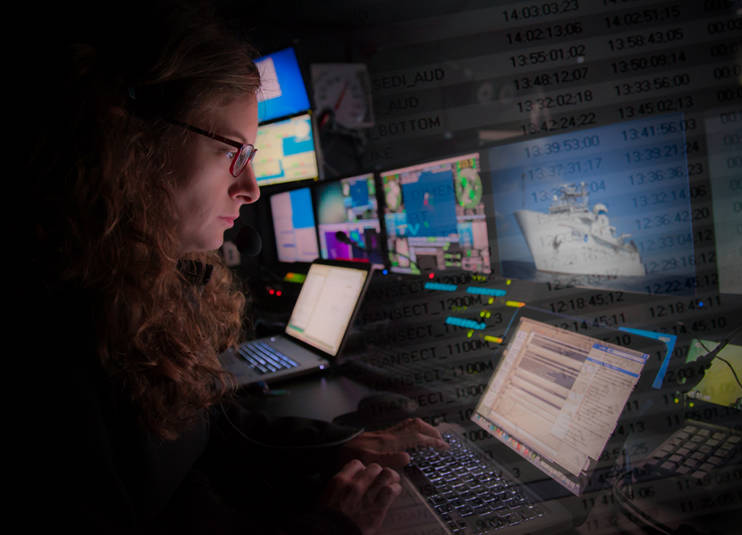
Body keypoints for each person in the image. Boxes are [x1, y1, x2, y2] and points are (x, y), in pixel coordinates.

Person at [26, 2, 446, 533]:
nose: (250, 190)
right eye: (235, 153)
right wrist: (334, 528)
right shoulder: (53, 345)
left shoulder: (128, 290)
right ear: (134, 140)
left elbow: (198, 437)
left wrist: (346, 442)